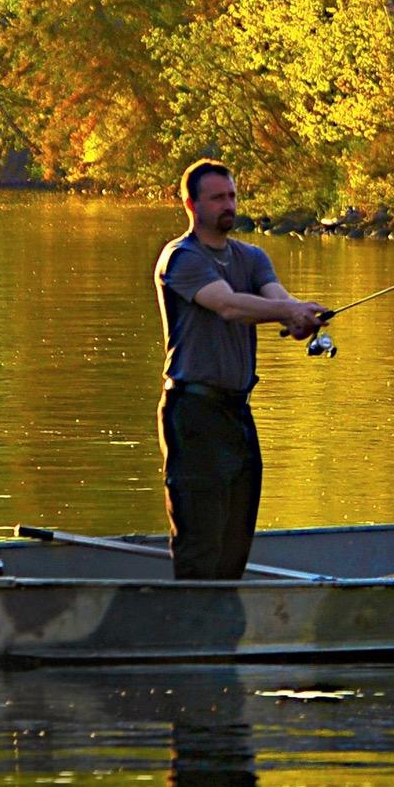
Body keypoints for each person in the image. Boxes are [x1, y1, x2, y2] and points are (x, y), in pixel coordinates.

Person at [155, 161, 328, 579]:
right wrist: (287, 310)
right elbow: (229, 305)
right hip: (192, 413)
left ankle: (227, 632)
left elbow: (277, 299)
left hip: (237, 414)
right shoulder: (181, 258)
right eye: (217, 198)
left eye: (231, 196)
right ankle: (194, 632)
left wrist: (300, 317)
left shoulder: (251, 257)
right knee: (201, 542)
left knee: (236, 540)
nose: (228, 205)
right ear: (191, 205)